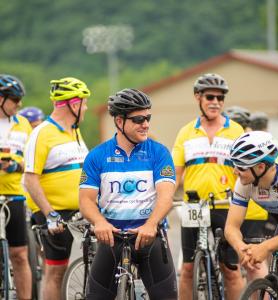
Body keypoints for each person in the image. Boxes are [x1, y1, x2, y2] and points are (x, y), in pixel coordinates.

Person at [79, 88, 178, 300]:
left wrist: (151, 224)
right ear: (118, 121)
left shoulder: (159, 152)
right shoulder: (97, 156)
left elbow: (166, 197)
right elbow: (86, 201)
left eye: (148, 118)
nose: (146, 124)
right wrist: (99, 222)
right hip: (111, 237)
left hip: (149, 236)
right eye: (138, 119)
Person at [172, 73, 245, 300]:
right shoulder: (185, 132)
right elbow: (175, 173)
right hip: (194, 206)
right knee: (187, 269)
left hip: (226, 205)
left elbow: (245, 171)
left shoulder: (236, 131)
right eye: (210, 97)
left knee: (231, 271)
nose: (216, 102)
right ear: (198, 98)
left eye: (220, 98)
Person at [24, 77, 90, 300]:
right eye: (84, 102)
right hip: (53, 212)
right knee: (56, 270)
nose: (86, 108)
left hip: (82, 208)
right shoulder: (41, 133)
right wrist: (49, 214)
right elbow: (30, 179)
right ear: (73, 104)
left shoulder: (75, 132)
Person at [224, 131, 278, 296]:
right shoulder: (245, 183)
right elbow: (231, 226)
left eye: (241, 166)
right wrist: (242, 248)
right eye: (234, 165)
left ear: (260, 167)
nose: (235, 171)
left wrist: (265, 247)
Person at [0, 74, 32, 299]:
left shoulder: (23, 124)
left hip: (15, 195)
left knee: (20, 254)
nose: (19, 104)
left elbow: (31, 159)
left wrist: (15, 166)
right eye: (14, 99)